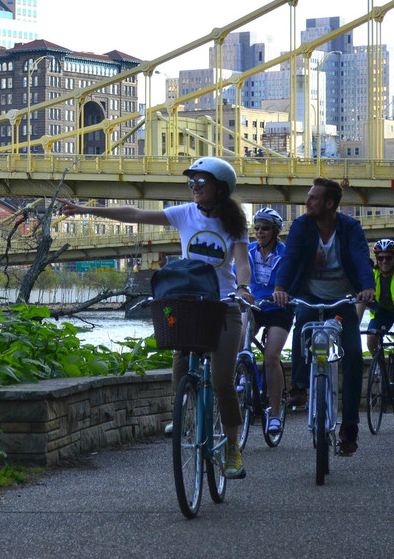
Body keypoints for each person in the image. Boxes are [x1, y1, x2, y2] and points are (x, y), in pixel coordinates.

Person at [61, 156, 251, 478]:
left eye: (200, 182)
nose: (193, 188)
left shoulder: (235, 222)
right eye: (190, 182)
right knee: (180, 352)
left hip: (224, 304)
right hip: (191, 300)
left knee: (222, 382)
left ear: (219, 188)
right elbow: (135, 214)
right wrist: (84, 210)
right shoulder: (184, 213)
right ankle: (183, 416)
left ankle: (232, 446)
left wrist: (244, 288)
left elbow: (242, 262)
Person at [271, 177, 375, 456]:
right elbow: (290, 257)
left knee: (353, 354)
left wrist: (367, 287)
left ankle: (349, 428)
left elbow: (360, 258)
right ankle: (299, 386)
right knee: (302, 323)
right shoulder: (301, 226)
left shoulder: (350, 228)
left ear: (330, 204)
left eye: (313, 198)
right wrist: (280, 288)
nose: (307, 202)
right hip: (310, 296)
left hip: (341, 302)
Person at [246, 207, 290, 437]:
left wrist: (284, 292)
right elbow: (238, 276)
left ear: (275, 231)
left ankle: (274, 414)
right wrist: (240, 290)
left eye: (265, 228)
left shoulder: (286, 253)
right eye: (257, 228)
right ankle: (244, 373)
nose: (259, 232)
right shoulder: (248, 251)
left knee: (271, 356)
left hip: (278, 308)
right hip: (254, 306)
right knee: (238, 339)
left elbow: (293, 278)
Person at [360, 238, 394, 421]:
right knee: (371, 339)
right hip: (382, 313)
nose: (384, 262)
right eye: (380, 258)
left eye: (388, 258)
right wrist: (353, 327)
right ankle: (380, 369)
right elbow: (361, 300)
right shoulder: (371, 273)